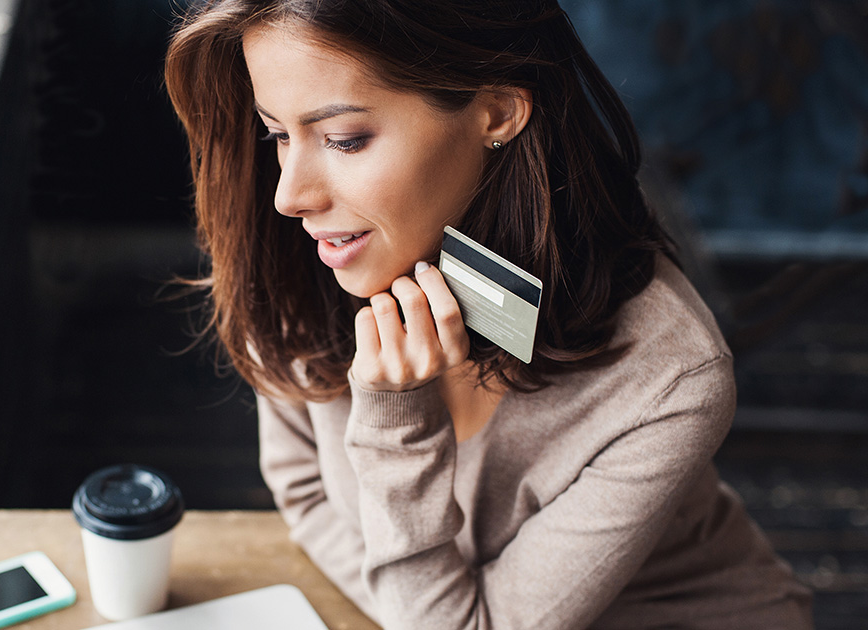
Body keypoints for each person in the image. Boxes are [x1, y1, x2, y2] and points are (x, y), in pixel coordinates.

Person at [163, 1, 813, 628]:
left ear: (496, 110)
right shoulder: (311, 257)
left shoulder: (672, 376)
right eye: (277, 133)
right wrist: (419, 609)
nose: (290, 196)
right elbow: (304, 490)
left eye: (345, 139)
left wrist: (396, 426)